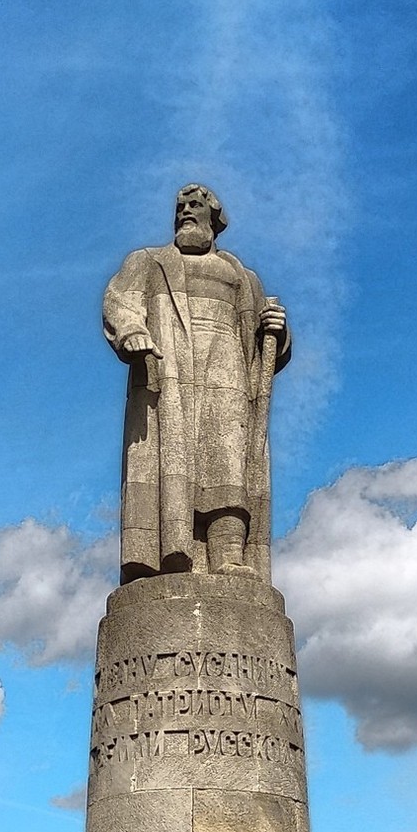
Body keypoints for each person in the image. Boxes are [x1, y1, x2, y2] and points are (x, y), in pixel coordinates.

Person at [103, 184, 291, 580]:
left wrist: (276, 330)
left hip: (227, 374)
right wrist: (132, 330)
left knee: (228, 464)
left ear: (214, 217)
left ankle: (226, 555)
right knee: (171, 467)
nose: (185, 211)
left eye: (195, 205)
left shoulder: (241, 275)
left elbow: (265, 340)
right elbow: (120, 301)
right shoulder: (149, 262)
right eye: (180, 206)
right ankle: (171, 557)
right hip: (169, 374)